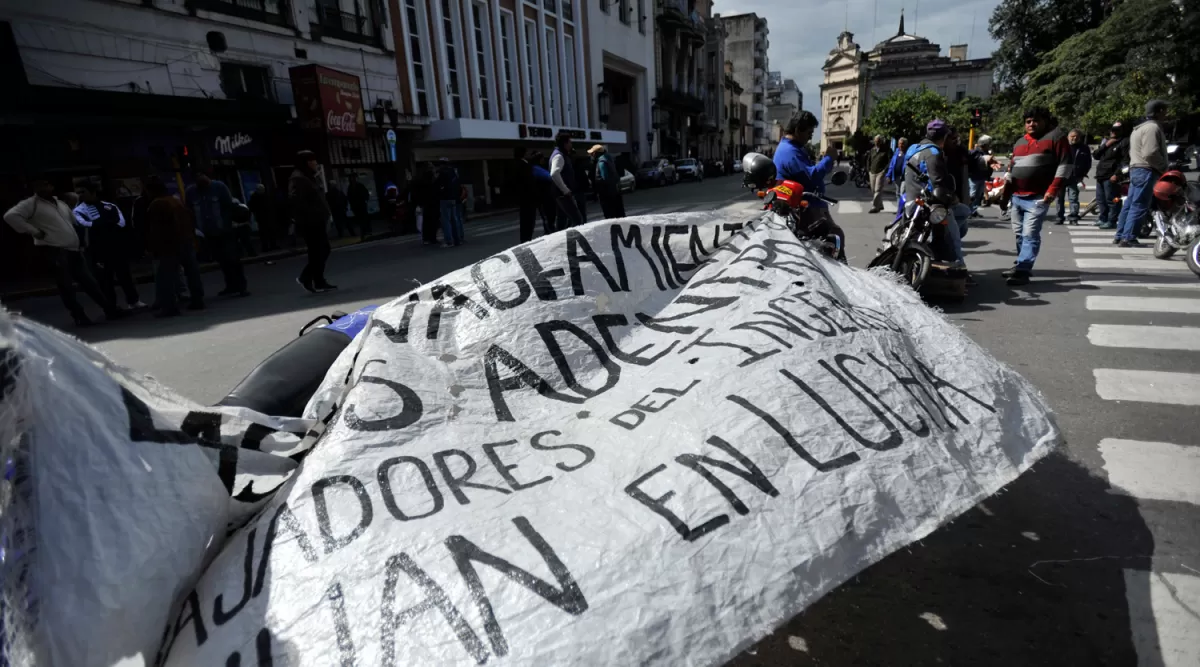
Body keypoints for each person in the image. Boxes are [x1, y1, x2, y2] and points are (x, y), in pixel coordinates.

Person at [4, 178, 122, 326]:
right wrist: (34, 231)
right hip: (54, 249)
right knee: (66, 285)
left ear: (52, 186)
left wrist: (81, 239)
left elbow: (74, 221)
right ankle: (79, 316)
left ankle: (110, 309)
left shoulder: (59, 203)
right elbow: (10, 216)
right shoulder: (30, 204)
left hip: (73, 249)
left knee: (89, 282)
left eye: (45, 184)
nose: (42, 187)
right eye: (39, 185)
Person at [1002, 106, 1072, 285]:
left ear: (1045, 121)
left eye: (1036, 120)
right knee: (1019, 234)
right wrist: (1005, 195)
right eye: (1028, 121)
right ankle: (1020, 264)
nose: (1032, 124)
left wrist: (1052, 190)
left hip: (1038, 197)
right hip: (1017, 197)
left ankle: (1023, 270)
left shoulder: (1056, 138)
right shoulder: (1019, 142)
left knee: (1030, 234)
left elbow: (1065, 166)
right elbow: (1011, 170)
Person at [773, 110, 846, 258]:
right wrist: (828, 159)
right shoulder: (789, 151)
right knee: (835, 238)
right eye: (809, 132)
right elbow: (811, 176)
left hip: (811, 206)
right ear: (798, 129)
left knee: (833, 240)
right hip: (806, 211)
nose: (811, 137)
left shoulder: (795, 148)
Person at [73, 182, 144, 311]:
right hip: (97, 250)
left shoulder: (109, 206)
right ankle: (111, 306)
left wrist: (102, 224)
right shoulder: (78, 210)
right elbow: (84, 224)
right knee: (105, 279)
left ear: (93, 192)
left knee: (125, 275)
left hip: (116, 247)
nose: (80, 195)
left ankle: (133, 301)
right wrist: (105, 224)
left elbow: (121, 223)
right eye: (78, 193)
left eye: (83, 192)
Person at [904, 120, 965, 268]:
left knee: (963, 212)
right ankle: (959, 265)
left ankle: (937, 247)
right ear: (944, 137)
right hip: (929, 205)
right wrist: (951, 198)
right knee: (956, 228)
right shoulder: (933, 152)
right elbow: (938, 183)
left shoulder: (913, 148)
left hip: (910, 200)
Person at [142, 176, 204, 317]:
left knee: (166, 276)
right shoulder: (176, 201)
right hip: (186, 240)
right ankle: (198, 299)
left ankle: (169, 307)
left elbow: (156, 230)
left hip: (169, 244)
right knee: (192, 271)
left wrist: (153, 248)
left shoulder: (157, 204)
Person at [186, 169, 249, 297]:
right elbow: (190, 212)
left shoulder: (219, 187)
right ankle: (231, 285)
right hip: (207, 233)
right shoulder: (191, 192)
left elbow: (229, 207)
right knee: (222, 261)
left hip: (225, 231)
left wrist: (229, 225)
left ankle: (241, 286)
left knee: (233, 259)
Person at [1115, 100, 1169, 247]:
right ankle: (1128, 237)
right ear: (1158, 111)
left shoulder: (1139, 128)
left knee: (1130, 203)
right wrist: (1163, 166)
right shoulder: (1152, 127)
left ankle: (1120, 235)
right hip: (1146, 169)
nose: (1166, 114)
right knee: (1139, 204)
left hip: (1137, 169)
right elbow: (1150, 153)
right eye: (1164, 110)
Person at [289, 150, 337, 292]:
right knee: (321, 250)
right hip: (310, 222)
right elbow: (299, 203)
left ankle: (317, 280)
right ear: (306, 162)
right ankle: (307, 277)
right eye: (313, 161)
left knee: (319, 251)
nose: (315, 163)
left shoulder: (310, 177)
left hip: (318, 219)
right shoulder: (299, 179)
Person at [1091, 122, 1128, 230]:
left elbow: (1125, 161)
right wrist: (1106, 145)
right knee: (1100, 200)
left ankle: (1112, 221)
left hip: (1111, 176)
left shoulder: (1124, 142)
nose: (1113, 132)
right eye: (1112, 130)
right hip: (1101, 174)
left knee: (1113, 200)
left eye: (1116, 130)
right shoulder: (1107, 142)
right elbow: (1096, 155)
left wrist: (1117, 174)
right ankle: (1103, 218)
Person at [1055, 129, 1092, 226]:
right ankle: (1059, 217)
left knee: (1073, 198)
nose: (1074, 138)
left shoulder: (1084, 148)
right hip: (1062, 176)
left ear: (1079, 137)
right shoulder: (1062, 146)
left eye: (1076, 136)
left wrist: (1083, 174)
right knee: (1059, 198)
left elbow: (1088, 163)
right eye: (1072, 136)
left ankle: (1073, 217)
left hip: (1075, 177)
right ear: (1068, 137)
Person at [549, 132, 586, 228]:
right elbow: (554, 173)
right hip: (563, 194)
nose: (571, 144)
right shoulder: (559, 156)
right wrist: (565, 190)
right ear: (565, 143)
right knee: (577, 219)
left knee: (562, 221)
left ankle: (559, 241)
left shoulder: (560, 154)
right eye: (570, 142)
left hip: (560, 194)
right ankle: (575, 241)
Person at [590, 144, 625, 219]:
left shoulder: (601, 162)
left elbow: (605, 178)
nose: (591, 155)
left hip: (606, 194)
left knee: (609, 215)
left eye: (592, 153)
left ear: (596, 153)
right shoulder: (609, 159)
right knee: (618, 214)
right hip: (615, 192)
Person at [435, 161, 465, 247]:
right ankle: (457, 239)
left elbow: (437, 185)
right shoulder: (453, 174)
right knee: (454, 219)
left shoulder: (442, 174)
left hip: (445, 199)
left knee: (446, 220)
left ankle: (449, 241)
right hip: (454, 199)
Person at [967, 135, 998, 217]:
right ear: (984, 144)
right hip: (974, 177)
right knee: (972, 195)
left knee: (978, 196)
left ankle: (973, 211)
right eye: (988, 144)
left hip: (981, 177)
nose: (989, 145)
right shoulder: (975, 152)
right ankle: (968, 211)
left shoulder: (986, 152)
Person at [513, 147, 540, 242]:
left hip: (524, 197)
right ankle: (526, 239)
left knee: (526, 220)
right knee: (528, 220)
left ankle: (526, 238)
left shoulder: (519, 164)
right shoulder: (524, 165)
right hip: (528, 197)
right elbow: (529, 182)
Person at [248, 184, 279, 251]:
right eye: (262, 189)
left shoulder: (263, 196)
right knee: (264, 232)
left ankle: (272, 245)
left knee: (270, 231)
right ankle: (266, 246)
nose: (263, 191)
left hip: (266, 216)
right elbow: (252, 207)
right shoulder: (255, 197)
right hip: (261, 217)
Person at [866, 135, 892, 213]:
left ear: (881, 141)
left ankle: (875, 207)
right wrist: (868, 169)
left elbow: (890, 160)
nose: (877, 142)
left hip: (881, 172)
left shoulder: (886, 150)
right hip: (872, 172)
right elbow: (868, 160)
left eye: (878, 141)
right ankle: (880, 205)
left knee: (877, 190)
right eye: (876, 141)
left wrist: (885, 170)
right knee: (873, 190)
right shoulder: (872, 150)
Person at [885, 137, 910, 208]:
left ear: (905, 145)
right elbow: (892, 165)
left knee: (902, 192)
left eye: (902, 144)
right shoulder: (896, 153)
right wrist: (888, 175)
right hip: (896, 176)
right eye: (899, 144)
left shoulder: (908, 153)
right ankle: (900, 209)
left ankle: (903, 209)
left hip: (904, 176)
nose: (901, 145)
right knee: (898, 193)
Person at [347, 173, 371, 239]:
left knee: (363, 218)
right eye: (351, 178)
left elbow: (365, 193)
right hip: (356, 205)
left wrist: (365, 200)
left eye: (353, 178)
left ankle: (366, 230)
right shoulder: (350, 187)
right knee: (360, 219)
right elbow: (349, 197)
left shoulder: (359, 186)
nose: (352, 179)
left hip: (361, 204)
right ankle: (364, 230)